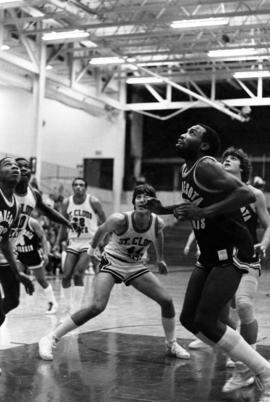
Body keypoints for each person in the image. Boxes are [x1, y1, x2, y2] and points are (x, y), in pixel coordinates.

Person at [145, 124, 270, 396]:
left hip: (233, 251)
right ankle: (245, 363)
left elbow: (245, 194)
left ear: (203, 146)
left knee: (208, 318)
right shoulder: (187, 169)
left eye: (191, 132)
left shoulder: (205, 166)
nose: (182, 134)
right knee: (190, 319)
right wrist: (165, 209)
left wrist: (204, 212)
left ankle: (263, 370)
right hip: (210, 253)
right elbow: (195, 206)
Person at [38, 184, 190, 361]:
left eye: (147, 197)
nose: (142, 199)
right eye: (139, 196)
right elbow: (102, 230)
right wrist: (92, 250)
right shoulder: (119, 219)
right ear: (133, 202)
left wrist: (160, 258)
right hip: (112, 263)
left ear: (154, 202)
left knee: (167, 301)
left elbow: (158, 235)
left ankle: (171, 343)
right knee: (97, 306)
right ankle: (50, 338)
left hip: (134, 266)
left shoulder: (158, 222)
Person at [220, 147, 270, 391]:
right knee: (221, 314)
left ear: (243, 167)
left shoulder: (254, 194)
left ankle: (252, 357)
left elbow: (269, 225)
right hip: (221, 259)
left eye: (233, 158)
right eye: (225, 158)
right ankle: (241, 360)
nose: (227, 160)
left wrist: (266, 243)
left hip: (247, 256)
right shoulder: (214, 193)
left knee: (244, 304)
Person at [9, 157, 72, 314]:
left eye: (26, 166)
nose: (23, 169)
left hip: (28, 250)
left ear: (31, 172)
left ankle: (52, 302)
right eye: (18, 166)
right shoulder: (4, 189)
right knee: (11, 281)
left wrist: (66, 222)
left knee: (41, 280)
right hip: (8, 246)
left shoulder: (34, 196)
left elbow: (48, 213)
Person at [0, 157, 34, 373]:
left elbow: (4, 242)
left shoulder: (13, 205)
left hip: (3, 259)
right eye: (7, 164)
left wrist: (19, 273)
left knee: (13, 300)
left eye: (16, 165)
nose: (14, 167)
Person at [55, 177, 106, 315]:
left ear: (86, 188)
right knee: (66, 276)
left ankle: (76, 308)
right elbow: (62, 224)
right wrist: (56, 243)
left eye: (81, 185)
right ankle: (67, 305)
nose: (78, 187)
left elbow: (105, 222)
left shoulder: (93, 201)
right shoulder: (67, 202)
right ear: (72, 187)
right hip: (73, 241)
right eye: (75, 185)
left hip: (89, 241)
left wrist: (101, 240)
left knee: (78, 274)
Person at [15, 216, 58, 314]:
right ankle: (10, 302)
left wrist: (46, 254)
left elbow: (43, 238)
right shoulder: (12, 220)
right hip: (19, 253)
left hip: (33, 254)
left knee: (41, 280)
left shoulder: (32, 222)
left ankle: (53, 302)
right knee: (15, 275)